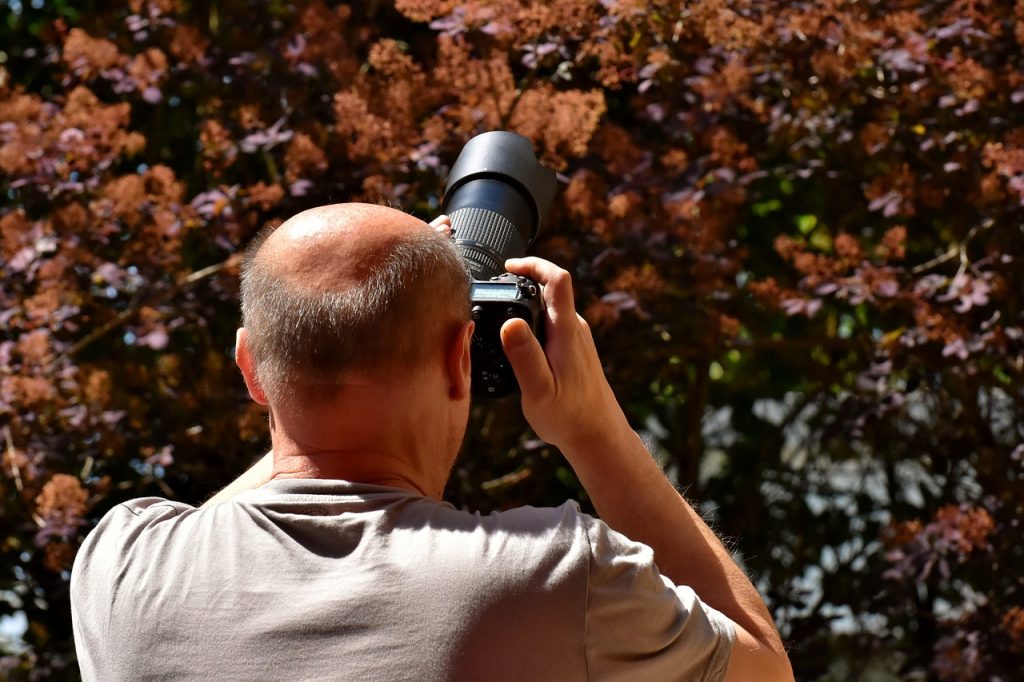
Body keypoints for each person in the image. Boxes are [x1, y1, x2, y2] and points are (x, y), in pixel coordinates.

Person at [71, 203, 792, 681]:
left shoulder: (122, 568)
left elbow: (274, 470)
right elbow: (764, 669)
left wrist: (337, 339)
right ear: (461, 358)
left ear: (249, 368)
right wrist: (593, 425)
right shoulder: (556, 577)